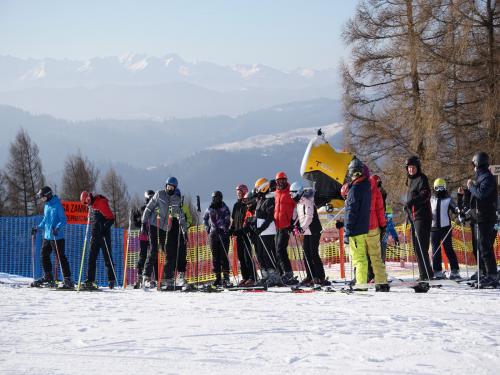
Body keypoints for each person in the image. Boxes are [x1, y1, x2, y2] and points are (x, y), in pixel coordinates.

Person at [142, 177, 190, 288]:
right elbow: (149, 208)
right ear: (166, 186)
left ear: (175, 188)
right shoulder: (159, 194)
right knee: (154, 250)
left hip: (165, 229)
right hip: (155, 226)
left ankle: (167, 278)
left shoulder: (176, 200)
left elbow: (181, 217)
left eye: (172, 188)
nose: (170, 189)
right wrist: (144, 223)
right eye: (169, 186)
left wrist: (184, 232)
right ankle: (146, 277)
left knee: (170, 253)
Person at [31, 186, 73, 289]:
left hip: (57, 237)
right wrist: (38, 227)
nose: (42, 199)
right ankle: (48, 276)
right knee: (44, 255)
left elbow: (63, 220)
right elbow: (45, 220)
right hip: (47, 236)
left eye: (43, 197)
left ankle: (68, 279)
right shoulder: (47, 205)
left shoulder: (57, 205)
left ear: (48, 195)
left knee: (60, 257)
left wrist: (57, 228)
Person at [466, 152, 498, 288]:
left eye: (474, 165)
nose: (473, 167)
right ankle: (486, 273)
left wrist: (471, 186)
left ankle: (492, 275)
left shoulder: (487, 178)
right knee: (481, 247)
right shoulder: (481, 177)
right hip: (480, 217)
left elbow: (481, 194)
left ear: (478, 164)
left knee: (485, 247)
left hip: (486, 217)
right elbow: (476, 198)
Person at [290, 181, 327, 285]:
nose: (292, 196)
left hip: (314, 230)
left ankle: (320, 276)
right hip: (307, 231)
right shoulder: (299, 203)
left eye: (293, 193)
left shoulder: (307, 201)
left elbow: (309, 217)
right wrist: (294, 224)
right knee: (306, 254)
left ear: (298, 192)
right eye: (291, 194)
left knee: (313, 253)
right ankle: (310, 275)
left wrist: (302, 228)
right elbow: (299, 217)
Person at [343, 158, 372, 290]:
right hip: (362, 227)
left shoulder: (355, 190)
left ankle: (361, 284)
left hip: (355, 230)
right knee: (360, 257)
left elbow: (351, 212)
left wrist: (347, 231)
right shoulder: (365, 187)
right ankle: (361, 282)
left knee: (359, 259)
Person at [405, 156, 433, 281]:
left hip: (422, 216)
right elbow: (410, 201)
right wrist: (408, 210)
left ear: (417, 168)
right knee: (417, 247)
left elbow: (425, 194)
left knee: (422, 246)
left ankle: (426, 274)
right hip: (414, 217)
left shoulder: (422, 178)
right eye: (409, 167)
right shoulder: (410, 181)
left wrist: (412, 202)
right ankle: (424, 273)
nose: (411, 170)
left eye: (413, 167)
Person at [80, 191, 116, 289]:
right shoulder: (90, 206)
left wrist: (104, 229)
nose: (87, 203)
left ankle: (111, 279)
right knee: (91, 258)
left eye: (87, 200)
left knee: (107, 257)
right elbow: (93, 221)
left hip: (103, 235)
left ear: (89, 196)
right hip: (95, 236)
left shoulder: (101, 202)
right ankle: (90, 280)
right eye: (85, 203)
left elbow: (111, 218)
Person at [252, 177, 282, 286]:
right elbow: (258, 215)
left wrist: (261, 228)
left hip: (268, 231)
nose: (256, 191)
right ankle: (265, 275)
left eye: (258, 188)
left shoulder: (269, 200)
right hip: (261, 232)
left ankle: (274, 275)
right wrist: (253, 224)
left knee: (267, 253)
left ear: (264, 188)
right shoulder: (261, 199)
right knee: (260, 254)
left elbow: (269, 218)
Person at [430, 178, 461, 280]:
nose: (439, 190)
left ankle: (455, 270)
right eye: (437, 188)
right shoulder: (431, 199)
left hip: (445, 228)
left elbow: (455, 208)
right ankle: (437, 271)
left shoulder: (448, 199)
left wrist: (459, 212)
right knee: (435, 251)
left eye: (441, 188)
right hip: (434, 228)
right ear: (434, 188)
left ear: (445, 188)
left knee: (448, 249)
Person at [366, 174, 390, 291]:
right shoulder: (373, 192)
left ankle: (378, 276)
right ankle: (374, 275)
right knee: (375, 253)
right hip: (377, 225)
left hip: (377, 225)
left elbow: (381, 209)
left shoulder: (380, 192)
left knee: (378, 252)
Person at [229, 184, 257, 286]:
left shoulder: (247, 204)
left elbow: (249, 218)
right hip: (238, 234)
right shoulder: (236, 205)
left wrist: (243, 229)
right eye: (237, 193)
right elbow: (233, 220)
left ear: (244, 192)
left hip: (246, 233)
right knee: (240, 257)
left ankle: (252, 277)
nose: (238, 194)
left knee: (247, 256)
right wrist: (231, 229)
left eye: (240, 192)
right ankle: (245, 277)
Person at [274, 171, 298, 285]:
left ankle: (288, 272)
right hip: (277, 225)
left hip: (286, 225)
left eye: (283, 180)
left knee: (280, 249)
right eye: (279, 181)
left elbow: (295, 207)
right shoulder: (277, 193)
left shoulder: (289, 192)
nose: (281, 182)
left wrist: (292, 222)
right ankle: (281, 272)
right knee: (277, 250)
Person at [203, 191, 232, 287]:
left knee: (224, 256)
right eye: (214, 198)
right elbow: (205, 219)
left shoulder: (224, 208)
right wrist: (208, 229)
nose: (215, 200)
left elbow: (227, 220)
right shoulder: (209, 208)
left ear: (221, 198)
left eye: (217, 198)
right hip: (213, 235)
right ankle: (218, 277)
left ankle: (226, 277)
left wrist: (223, 228)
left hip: (223, 235)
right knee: (215, 258)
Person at [131, 190, 154, 288]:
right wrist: (134, 217)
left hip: (151, 235)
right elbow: (137, 221)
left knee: (152, 256)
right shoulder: (143, 208)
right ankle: (139, 276)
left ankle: (151, 278)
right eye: (150, 198)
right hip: (144, 236)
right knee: (143, 256)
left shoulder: (154, 208)